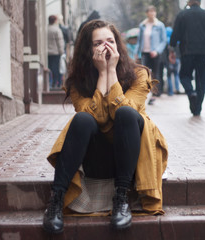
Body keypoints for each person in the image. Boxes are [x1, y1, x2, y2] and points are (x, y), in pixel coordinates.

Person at [42, 20, 168, 234]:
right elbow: (95, 117)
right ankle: (56, 200)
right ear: (87, 50)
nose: (106, 47)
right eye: (98, 43)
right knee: (82, 120)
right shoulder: (77, 83)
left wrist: (112, 74)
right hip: (96, 159)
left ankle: (121, 198)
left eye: (110, 41)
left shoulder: (139, 75)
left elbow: (127, 110)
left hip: (130, 157)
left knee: (126, 113)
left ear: (118, 45)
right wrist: (103, 74)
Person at [170, 0, 205, 116]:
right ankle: (197, 109)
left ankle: (191, 93)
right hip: (203, 52)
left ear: (189, 2)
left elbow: (175, 34)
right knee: (201, 80)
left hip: (187, 52)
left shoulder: (182, 15)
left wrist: (172, 49)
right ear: (200, 2)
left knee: (184, 76)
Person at [135, 5, 167, 97]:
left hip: (155, 52)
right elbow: (139, 40)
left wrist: (157, 51)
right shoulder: (142, 25)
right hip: (145, 52)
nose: (152, 13)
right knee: (146, 72)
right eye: (150, 11)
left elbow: (163, 40)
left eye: (154, 11)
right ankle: (147, 91)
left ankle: (156, 91)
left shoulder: (160, 25)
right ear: (147, 13)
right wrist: (136, 53)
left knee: (156, 72)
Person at [47, 15, 65, 89]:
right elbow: (60, 42)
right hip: (55, 52)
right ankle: (56, 83)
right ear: (55, 21)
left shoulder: (46, 29)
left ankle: (49, 83)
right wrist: (61, 52)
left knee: (49, 68)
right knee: (56, 69)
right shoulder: (57, 30)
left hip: (47, 53)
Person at [166, 26, 181, 96]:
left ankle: (171, 91)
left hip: (170, 60)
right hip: (177, 59)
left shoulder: (167, 41)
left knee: (169, 75)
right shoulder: (177, 40)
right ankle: (177, 89)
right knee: (176, 74)